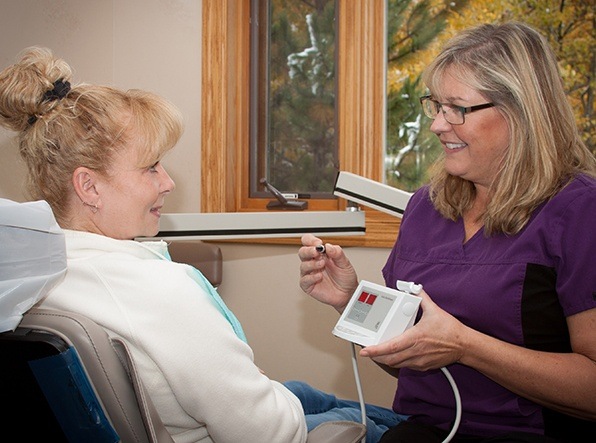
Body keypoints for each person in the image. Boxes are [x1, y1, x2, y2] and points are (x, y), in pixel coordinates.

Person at [291, 21, 596, 443]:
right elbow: (408, 358)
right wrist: (349, 302)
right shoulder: (427, 206)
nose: (437, 125)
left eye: (458, 108)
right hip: (422, 427)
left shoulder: (579, 211)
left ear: (522, 112)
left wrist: (467, 346)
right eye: (435, 106)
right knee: (292, 400)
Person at [0, 46, 307, 443]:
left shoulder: (28, 276)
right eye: (151, 168)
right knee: (373, 419)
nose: (167, 182)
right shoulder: (159, 290)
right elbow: (272, 434)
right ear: (89, 186)